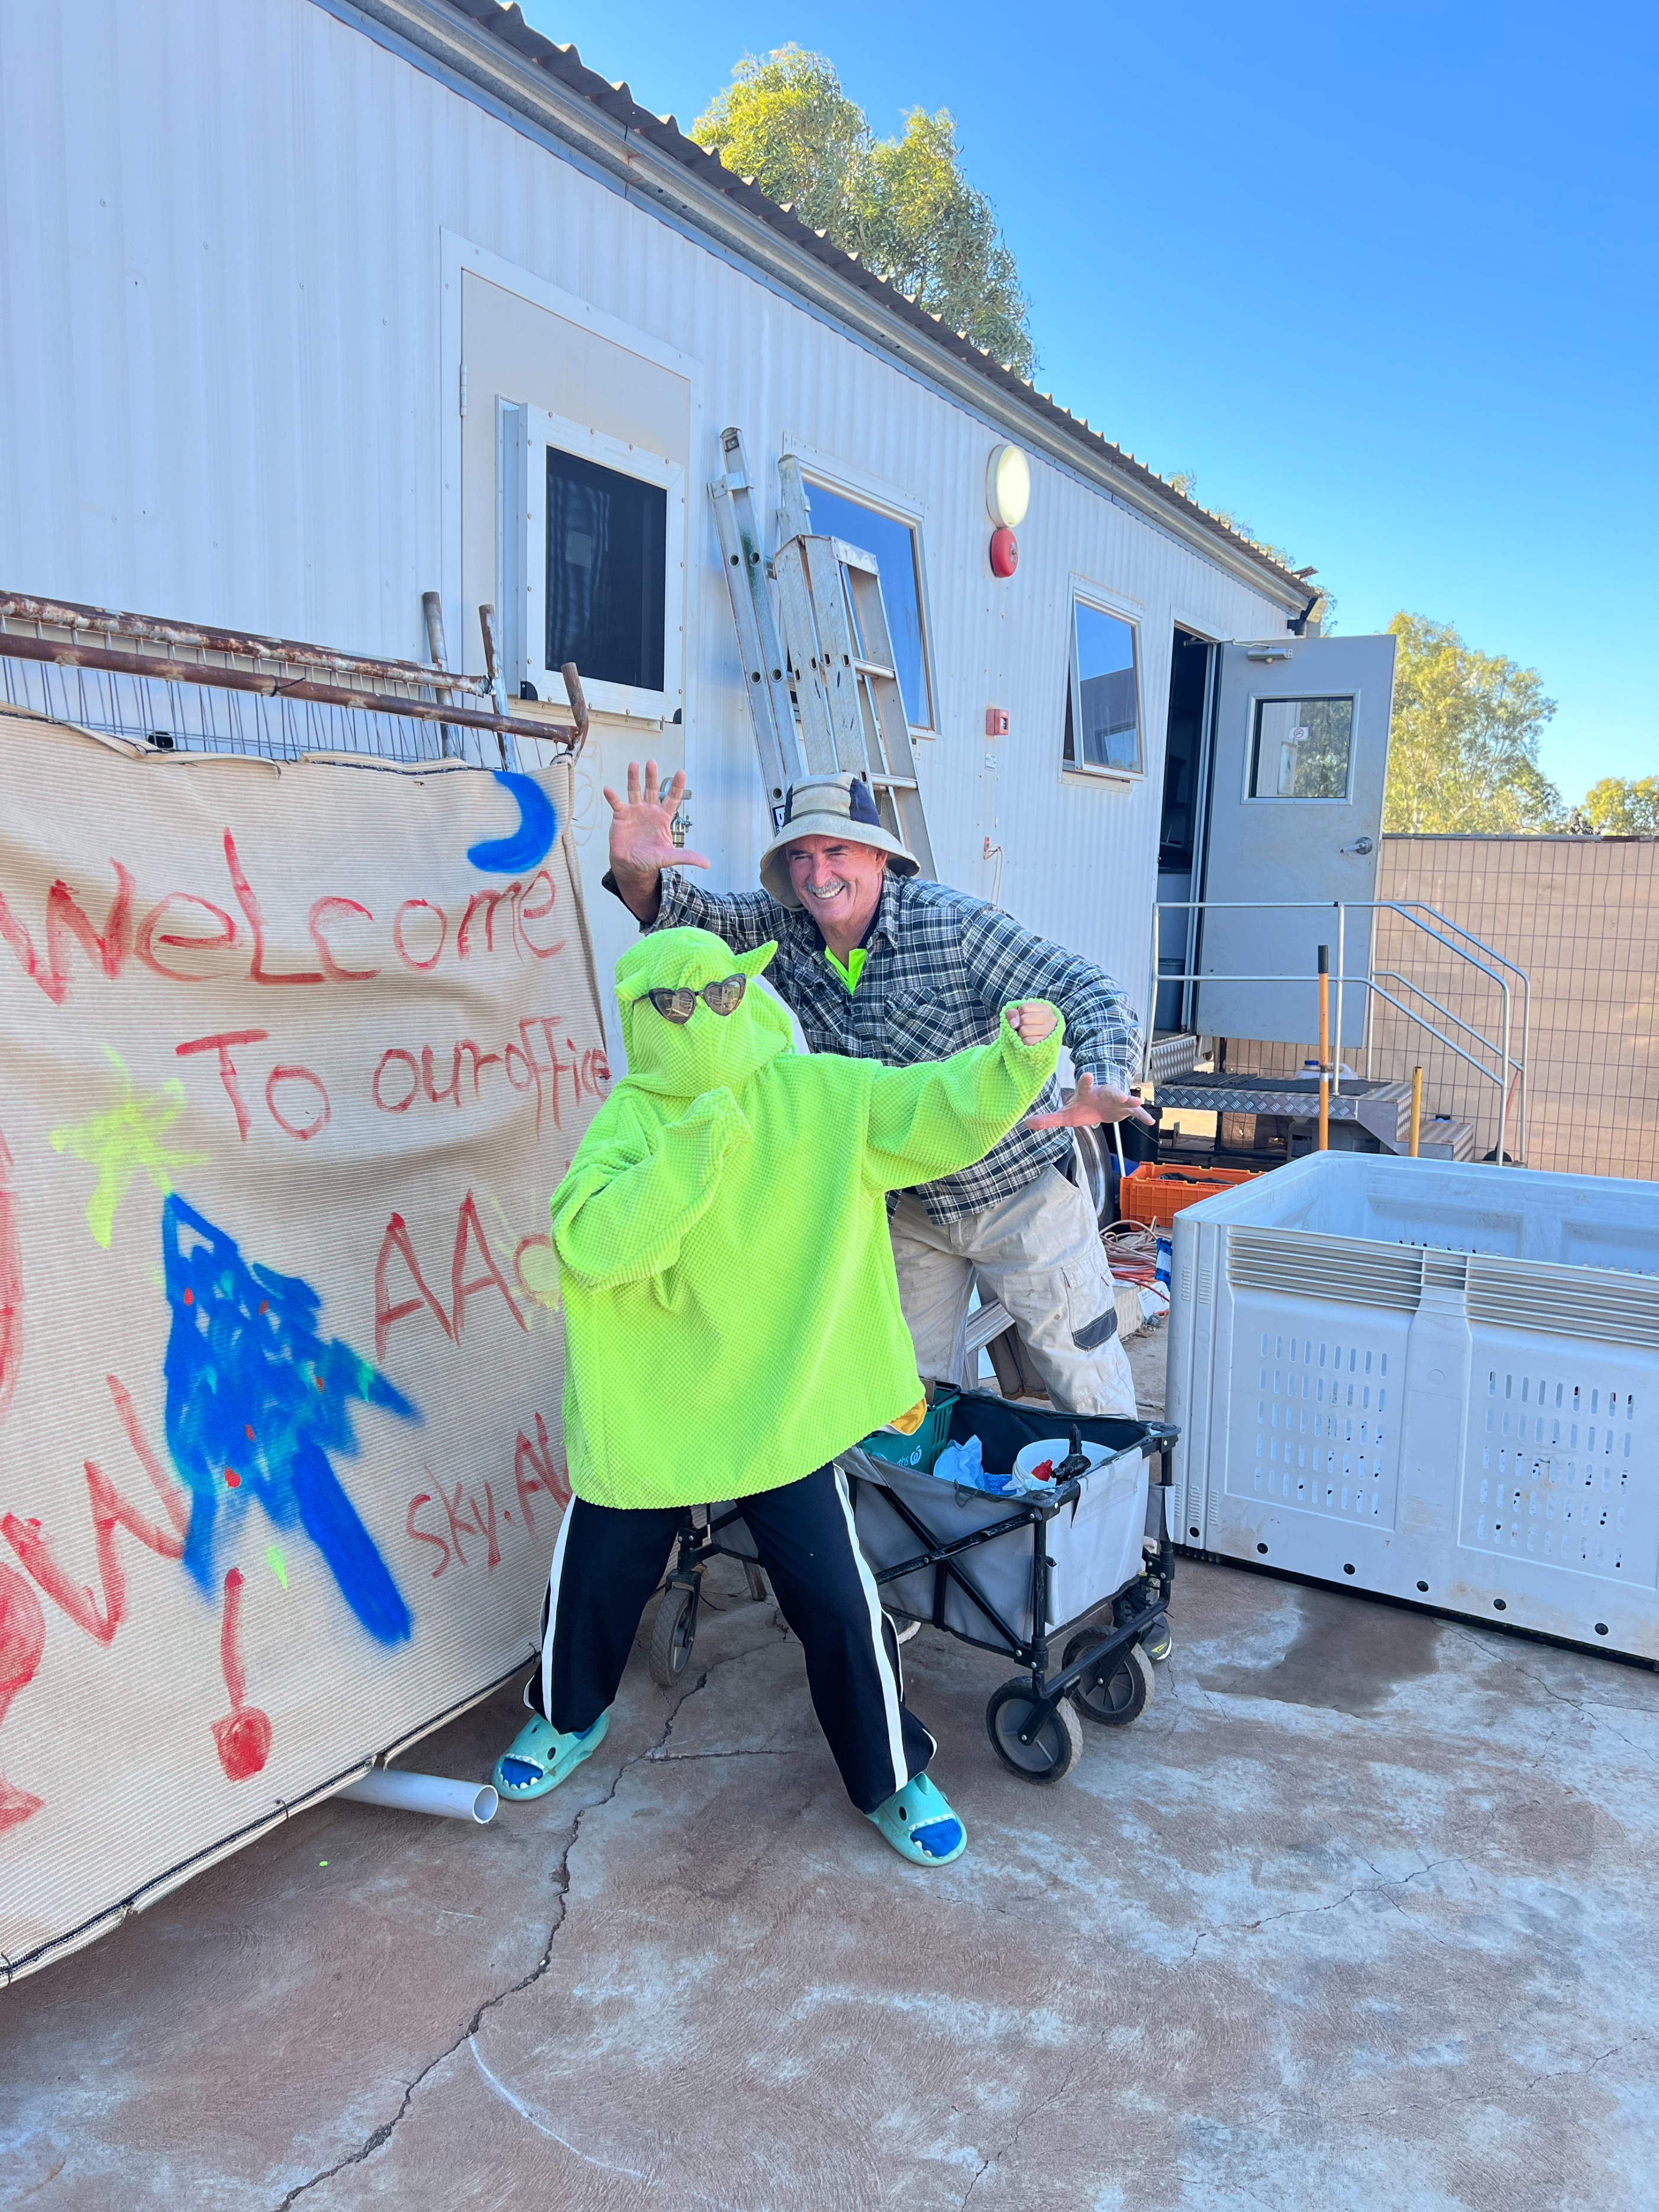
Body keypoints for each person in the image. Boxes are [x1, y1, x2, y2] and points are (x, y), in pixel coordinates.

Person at [491, 925, 1067, 1866]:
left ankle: (889, 1773)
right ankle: (565, 1715)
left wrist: (1016, 1056)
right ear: (644, 1014)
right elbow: (595, 1246)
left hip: (780, 1410)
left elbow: (930, 1107)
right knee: (593, 1577)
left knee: (839, 1601)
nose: (707, 1017)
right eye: (678, 1004)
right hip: (659, 1411)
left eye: (722, 995)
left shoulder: (819, 1096)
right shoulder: (632, 1119)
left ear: (746, 994)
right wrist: (695, 1146)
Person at [602, 764, 1153, 1415]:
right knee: (895, 1399)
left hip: (1018, 1193)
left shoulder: (952, 925)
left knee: (1089, 1388)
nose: (817, 873)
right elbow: (684, 916)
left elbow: (1087, 989)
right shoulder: (789, 928)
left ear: (878, 856)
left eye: (836, 850)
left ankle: (1108, 1514)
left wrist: (1102, 1078)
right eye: (801, 856)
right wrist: (638, 871)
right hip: (904, 1208)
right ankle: (935, 1518)